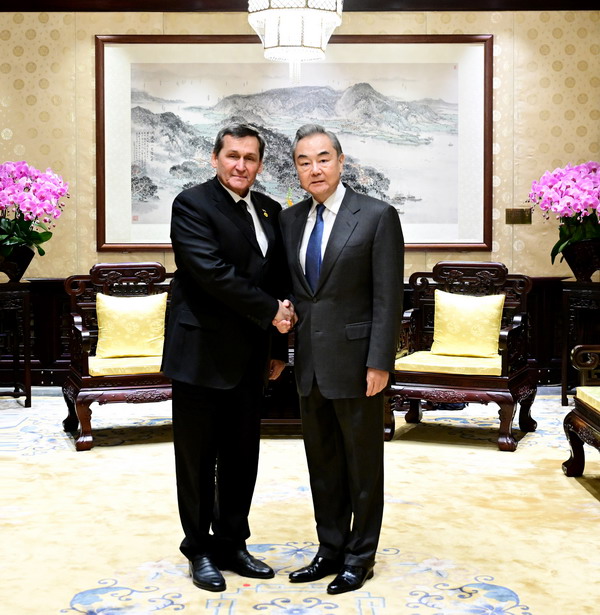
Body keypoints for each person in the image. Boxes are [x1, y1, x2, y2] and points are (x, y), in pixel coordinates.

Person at [162, 123, 294, 592]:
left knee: (241, 456)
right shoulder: (192, 204)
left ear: (260, 164)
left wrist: (278, 348)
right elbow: (210, 272)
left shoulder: (270, 209)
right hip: (200, 353)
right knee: (197, 459)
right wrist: (271, 311)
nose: (241, 165)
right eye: (232, 156)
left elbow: (277, 280)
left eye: (250, 158)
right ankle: (199, 549)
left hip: (251, 355)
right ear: (215, 158)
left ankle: (233, 543)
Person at [278, 124, 404, 594]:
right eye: (304, 161)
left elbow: (387, 297)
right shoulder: (290, 220)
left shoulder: (376, 216)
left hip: (358, 364)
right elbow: (293, 293)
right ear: (296, 169)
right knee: (323, 465)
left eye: (323, 158)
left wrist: (380, 362)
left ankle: (360, 557)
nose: (315, 169)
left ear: (341, 161)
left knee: (362, 466)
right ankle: (329, 549)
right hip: (310, 365)